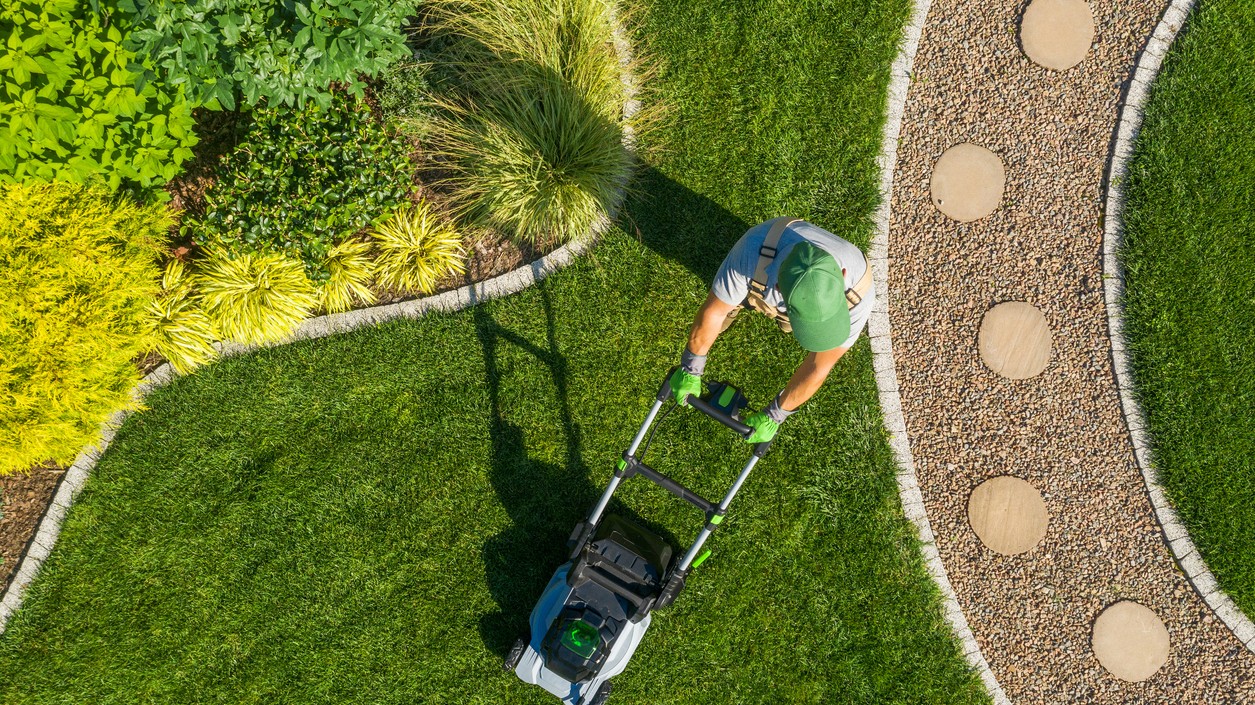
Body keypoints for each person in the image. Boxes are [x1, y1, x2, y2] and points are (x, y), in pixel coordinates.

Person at [669, 217, 875, 443]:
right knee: (726, 307)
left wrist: (776, 415)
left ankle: (787, 318)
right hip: (762, 272)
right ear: (778, 290)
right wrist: (691, 366)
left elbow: (819, 366)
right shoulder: (751, 251)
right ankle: (745, 300)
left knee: (789, 327)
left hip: (782, 290)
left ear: (842, 275)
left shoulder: (859, 291)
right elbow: (713, 313)